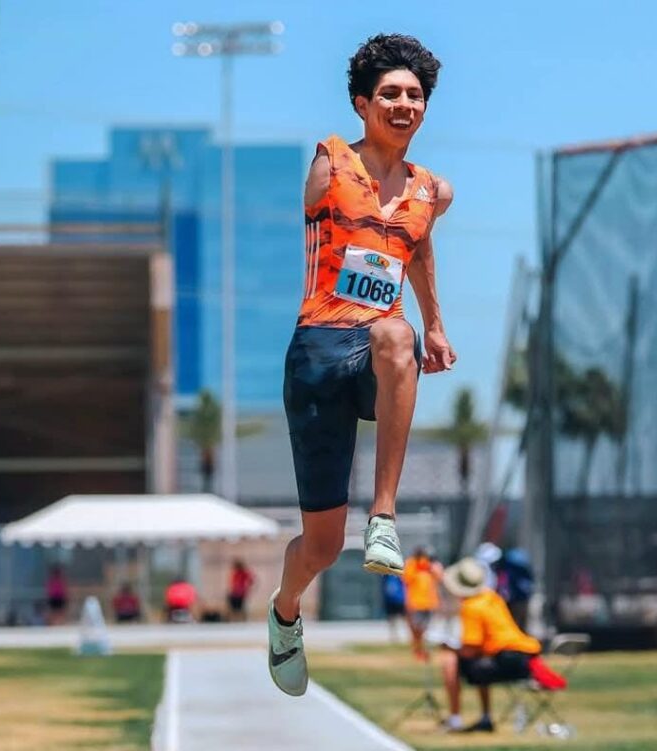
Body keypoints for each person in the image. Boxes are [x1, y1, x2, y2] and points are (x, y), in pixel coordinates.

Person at [267, 33, 455, 697]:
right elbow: (327, 220)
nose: (404, 104)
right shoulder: (330, 161)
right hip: (318, 350)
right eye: (390, 94)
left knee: (395, 336)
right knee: (320, 544)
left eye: (414, 95)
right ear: (363, 103)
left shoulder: (433, 190)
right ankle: (285, 611)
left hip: (375, 348)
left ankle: (384, 514)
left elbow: (420, 251)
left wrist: (434, 322)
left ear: (425, 106)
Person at [437, 557, 565, 733]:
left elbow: (470, 649)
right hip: (525, 656)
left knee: (450, 659)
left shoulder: (471, 607)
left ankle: (455, 718)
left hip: (507, 660)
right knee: (479, 663)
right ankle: (484, 717)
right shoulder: (492, 597)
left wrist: (450, 649)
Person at [403, 546, 442, 660]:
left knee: (424, 629)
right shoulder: (411, 564)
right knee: (416, 628)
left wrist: (431, 567)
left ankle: (422, 649)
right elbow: (407, 578)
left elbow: (440, 577)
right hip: (415, 602)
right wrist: (419, 567)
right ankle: (417, 650)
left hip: (430, 602)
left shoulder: (432, 566)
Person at [380, 573, 406, 643]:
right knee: (391, 618)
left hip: (400, 599)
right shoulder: (386, 576)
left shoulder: (400, 575)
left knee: (404, 617)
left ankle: (409, 635)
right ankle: (394, 636)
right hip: (390, 600)